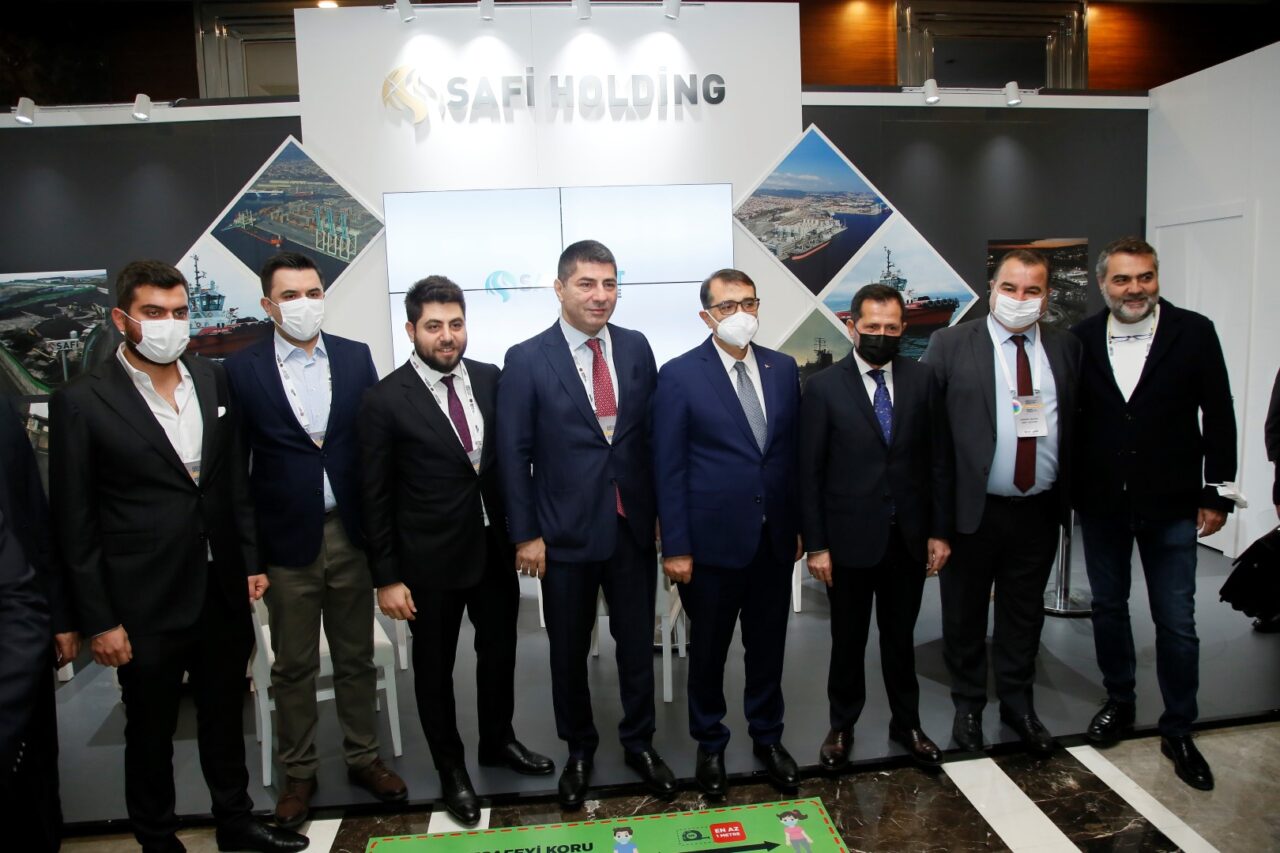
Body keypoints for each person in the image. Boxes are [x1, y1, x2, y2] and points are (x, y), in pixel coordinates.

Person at [49, 260, 307, 853]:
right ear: (122, 319)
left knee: (224, 716)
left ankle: (235, 822)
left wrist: (249, 560)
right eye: (154, 312)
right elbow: (74, 521)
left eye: (179, 312)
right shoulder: (82, 401)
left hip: (220, 588)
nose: (170, 323)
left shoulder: (212, 381)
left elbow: (232, 482)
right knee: (151, 731)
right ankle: (159, 839)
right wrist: (99, 620)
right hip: (142, 600)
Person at [362, 276, 552, 825]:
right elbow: (374, 497)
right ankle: (451, 769)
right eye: (433, 326)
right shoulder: (383, 400)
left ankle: (498, 741)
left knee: (500, 653)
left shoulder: (492, 379)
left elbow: (513, 461)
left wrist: (525, 530)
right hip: (428, 562)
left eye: (455, 324)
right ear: (411, 330)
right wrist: (386, 577)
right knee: (434, 669)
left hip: (493, 550)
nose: (447, 336)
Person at [224, 252, 405, 827]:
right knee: (293, 667)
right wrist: (250, 557)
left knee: (356, 657)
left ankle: (364, 757)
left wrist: (383, 539)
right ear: (268, 305)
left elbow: (374, 449)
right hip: (285, 543)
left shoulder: (354, 357)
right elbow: (236, 471)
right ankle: (298, 774)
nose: (305, 304)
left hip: (350, 533)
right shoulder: (242, 369)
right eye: (291, 295)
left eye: (313, 292)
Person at [496, 240, 675, 810]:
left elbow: (650, 440)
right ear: (560, 288)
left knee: (636, 646)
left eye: (610, 284)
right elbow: (513, 455)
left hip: (630, 527)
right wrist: (526, 534)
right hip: (563, 535)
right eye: (587, 284)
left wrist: (663, 517)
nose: (601, 296)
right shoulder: (527, 358)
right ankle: (579, 749)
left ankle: (640, 743)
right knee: (568, 652)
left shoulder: (636, 347)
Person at [1073, 237, 1237, 791]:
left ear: (1156, 277)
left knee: (1177, 620)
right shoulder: (1081, 338)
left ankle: (1179, 727)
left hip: (1172, 503)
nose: (1135, 288)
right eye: (1122, 279)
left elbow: (1218, 412)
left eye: (1145, 276)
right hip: (1102, 504)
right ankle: (1119, 701)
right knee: (1107, 608)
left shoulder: (1194, 331)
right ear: (1103, 284)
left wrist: (1216, 492)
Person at [921, 248, 1080, 757]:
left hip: (1039, 510)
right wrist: (935, 520)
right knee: (964, 615)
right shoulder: (950, 344)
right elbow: (928, 434)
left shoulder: (1065, 347)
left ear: (1046, 297)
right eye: (1010, 288)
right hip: (973, 512)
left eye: (1032, 290)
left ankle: (1018, 706)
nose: (1019, 298)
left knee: (1024, 615)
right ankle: (968, 706)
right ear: (991, 289)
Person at [652, 269, 802, 796]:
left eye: (749, 303)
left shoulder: (783, 369)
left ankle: (768, 737)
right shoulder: (679, 375)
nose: (741, 314)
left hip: (773, 540)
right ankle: (710, 742)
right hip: (710, 545)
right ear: (706, 316)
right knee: (709, 652)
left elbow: (791, 456)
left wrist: (798, 526)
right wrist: (676, 546)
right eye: (727, 306)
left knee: (768, 648)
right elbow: (669, 466)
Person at [800, 283, 953, 772]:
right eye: (872, 327)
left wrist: (939, 532)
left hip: (907, 538)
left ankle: (907, 724)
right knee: (847, 640)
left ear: (903, 328)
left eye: (891, 328)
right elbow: (810, 473)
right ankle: (841, 726)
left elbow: (939, 462)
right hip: (847, 541)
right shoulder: (823, 387)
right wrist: (816, 545)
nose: (881, 335)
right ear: (852, 327)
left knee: (900, 639)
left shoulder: (923, 380)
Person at [0, 394, 77, 851]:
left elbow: (32, 511)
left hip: (17, 643)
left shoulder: (2, 412)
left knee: (33, 792)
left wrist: (59, 614)